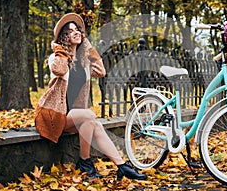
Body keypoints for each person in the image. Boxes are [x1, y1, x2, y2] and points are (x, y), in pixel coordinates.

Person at [34, 13, 147, 181]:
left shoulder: (83, 63)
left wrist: (86, 45)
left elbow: (101, 71)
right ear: (64, 36)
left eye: (77, 29)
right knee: (90, 115)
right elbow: (59, 70)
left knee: (94, 124)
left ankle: (122, 166)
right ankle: (85, 161)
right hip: (54, 115)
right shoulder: (56, 58)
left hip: (74, 116)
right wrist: (61, 49)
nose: (76, 32)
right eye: (70, 31)